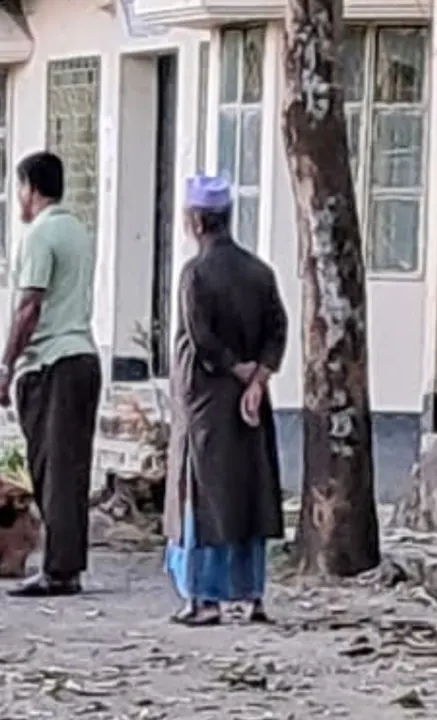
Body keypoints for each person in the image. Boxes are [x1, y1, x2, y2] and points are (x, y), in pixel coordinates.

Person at [162, 175, 288, 626]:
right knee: (250, 490)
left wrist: (237, 372)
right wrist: (258, 380)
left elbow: (202, 338)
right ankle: (251, 593)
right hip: (250, 399)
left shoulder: (195, 273)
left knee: (204, 493)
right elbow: (279, 328)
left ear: (196, 220)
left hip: (207, 400)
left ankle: (204, 597)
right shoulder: (260, 271)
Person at [0, 151, 102, 598]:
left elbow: (29, 306)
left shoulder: (38, 236)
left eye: (19, 189)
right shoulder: (77, 230)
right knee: (70, 467)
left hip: (53, 360)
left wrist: (6, 364)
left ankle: (59, 568)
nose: (18, 198)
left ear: (31, 189)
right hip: (83, 354)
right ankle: (67, 562)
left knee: (52, 468)